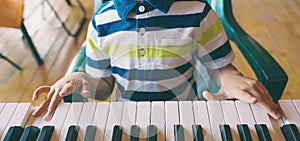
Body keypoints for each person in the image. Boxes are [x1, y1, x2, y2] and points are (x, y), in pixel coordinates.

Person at [32, 0, 282, 120]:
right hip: (126, 119)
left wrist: (233, 80)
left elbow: (221, 68)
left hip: (186, 116)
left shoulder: (198, 13)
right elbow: (103, 86)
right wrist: (80, 80)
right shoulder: (102, 22)